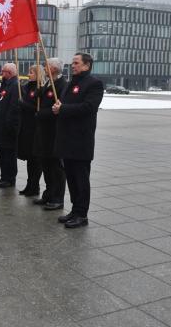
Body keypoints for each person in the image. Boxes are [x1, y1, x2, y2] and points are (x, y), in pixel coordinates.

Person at [52, 53, 104, 228]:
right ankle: (75, 210)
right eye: (72, 63)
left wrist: (63, 108)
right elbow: (63, 105)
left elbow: (89, 107)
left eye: (76, 63)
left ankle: (82, 215)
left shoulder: (94, 84)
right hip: (66, 139)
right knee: (72, 178)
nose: (72, 65)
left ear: (87, 65)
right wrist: (57, 107)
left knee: (81, 179)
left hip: (81, 140)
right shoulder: (70, 83)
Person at [33, 58, 67, 210]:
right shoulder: (48, 82)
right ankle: (48, 194)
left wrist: (42, 113)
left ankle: (57, 198)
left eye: (46, 67)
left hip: (54, 131)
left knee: (55, 167)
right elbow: (42, 97)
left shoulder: (61, 85)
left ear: (53, 69)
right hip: (43, 131)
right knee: (45, 164)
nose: (44, 69)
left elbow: (59, 107)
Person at [16, 65, 44, 196]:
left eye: (31, 72)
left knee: (35, 160)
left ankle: (35, 186)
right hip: (25, 127)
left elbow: (36, 108)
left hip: (35, 128)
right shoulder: (27, 87)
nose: (28, 74)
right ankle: (29, 184)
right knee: (29, 159)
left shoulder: (40, 88)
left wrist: (23, 105)